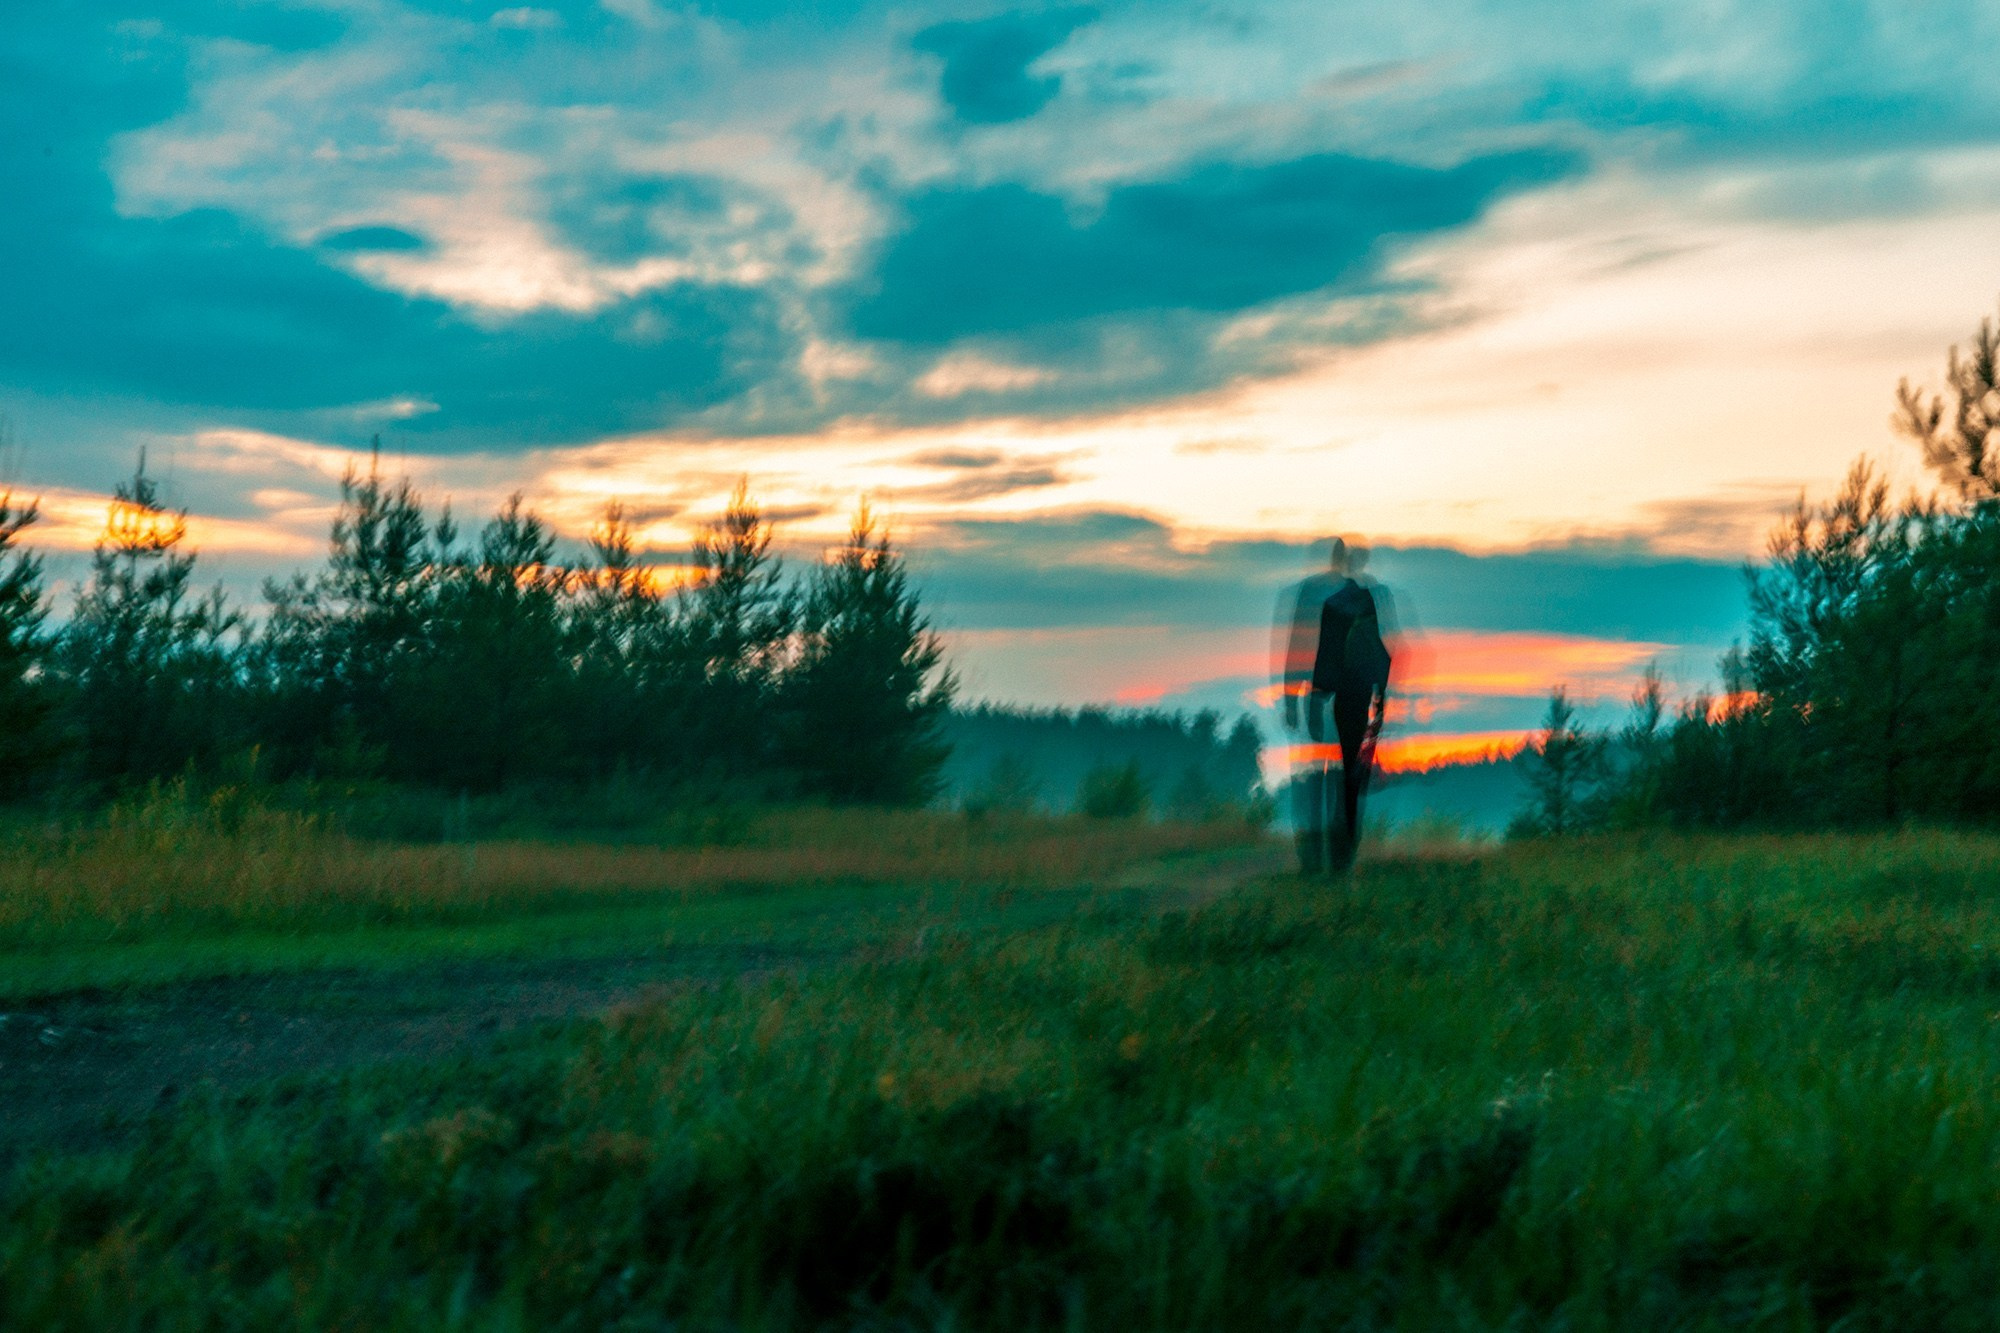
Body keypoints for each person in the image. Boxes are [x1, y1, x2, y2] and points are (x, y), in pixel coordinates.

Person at [1272, 537, 1393, 874]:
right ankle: (1339, 859)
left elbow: (1305, 650)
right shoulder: (1362, 599)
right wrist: (1379, 701)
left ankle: (1318, 860)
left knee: (1316, 782)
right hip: (1350, 701)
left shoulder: (1316, 596)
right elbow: (1379, 655)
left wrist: (1298, 700)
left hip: (1328, 699)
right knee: (1344, 782)